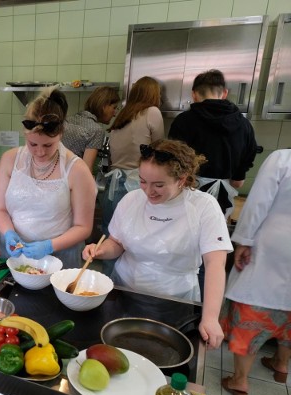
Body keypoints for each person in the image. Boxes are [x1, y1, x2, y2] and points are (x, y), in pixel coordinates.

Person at [83, 139, 233, 349]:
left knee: (158, 354)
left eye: (159, 185)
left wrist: (210, 317)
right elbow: (117, 242)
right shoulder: (131, 200)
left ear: (181, 180)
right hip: (124, 293)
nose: (148, 191)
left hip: (173, 301)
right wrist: (101, 250)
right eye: (143, 181)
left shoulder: (203, 207)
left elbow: (215, 264)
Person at [0, 87, 96, 269]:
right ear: (25, 134)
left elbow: (83, 226)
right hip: (15, 255)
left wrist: (50, 245)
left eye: (48, 145)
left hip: (59, 259)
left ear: (61, 133)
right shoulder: (10, 160)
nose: (40, 152)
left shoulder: (77, 170)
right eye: (33, 144)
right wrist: (8, 232)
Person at [220, 149, 291, 395]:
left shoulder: (283, 159)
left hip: (273, 246)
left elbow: (258, 202)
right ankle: (281, 364)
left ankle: (240, 380)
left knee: (252, 309)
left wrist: (244, 241)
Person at [168, 69, 258, 218]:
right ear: (224, 93)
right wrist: (236, 174)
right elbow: (238, 181)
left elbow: (172, 160)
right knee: (214, 237)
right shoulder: (244, 125)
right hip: (223, 199)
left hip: (188, 194)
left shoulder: (183, 121)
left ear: (194, 94)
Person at [102, 76, 164, 236]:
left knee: (111, 233)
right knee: (135, 235)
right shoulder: (153, 112)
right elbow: (160, 148)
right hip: (136, 183)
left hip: (113, 182)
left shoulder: (124, 114)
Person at [63, 86, 120, 171]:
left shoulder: (69, 119)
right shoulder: (96, 130)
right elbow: (86, 170)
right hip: (71, 179)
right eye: (114, 108)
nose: (115, 114)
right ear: (104, 106)